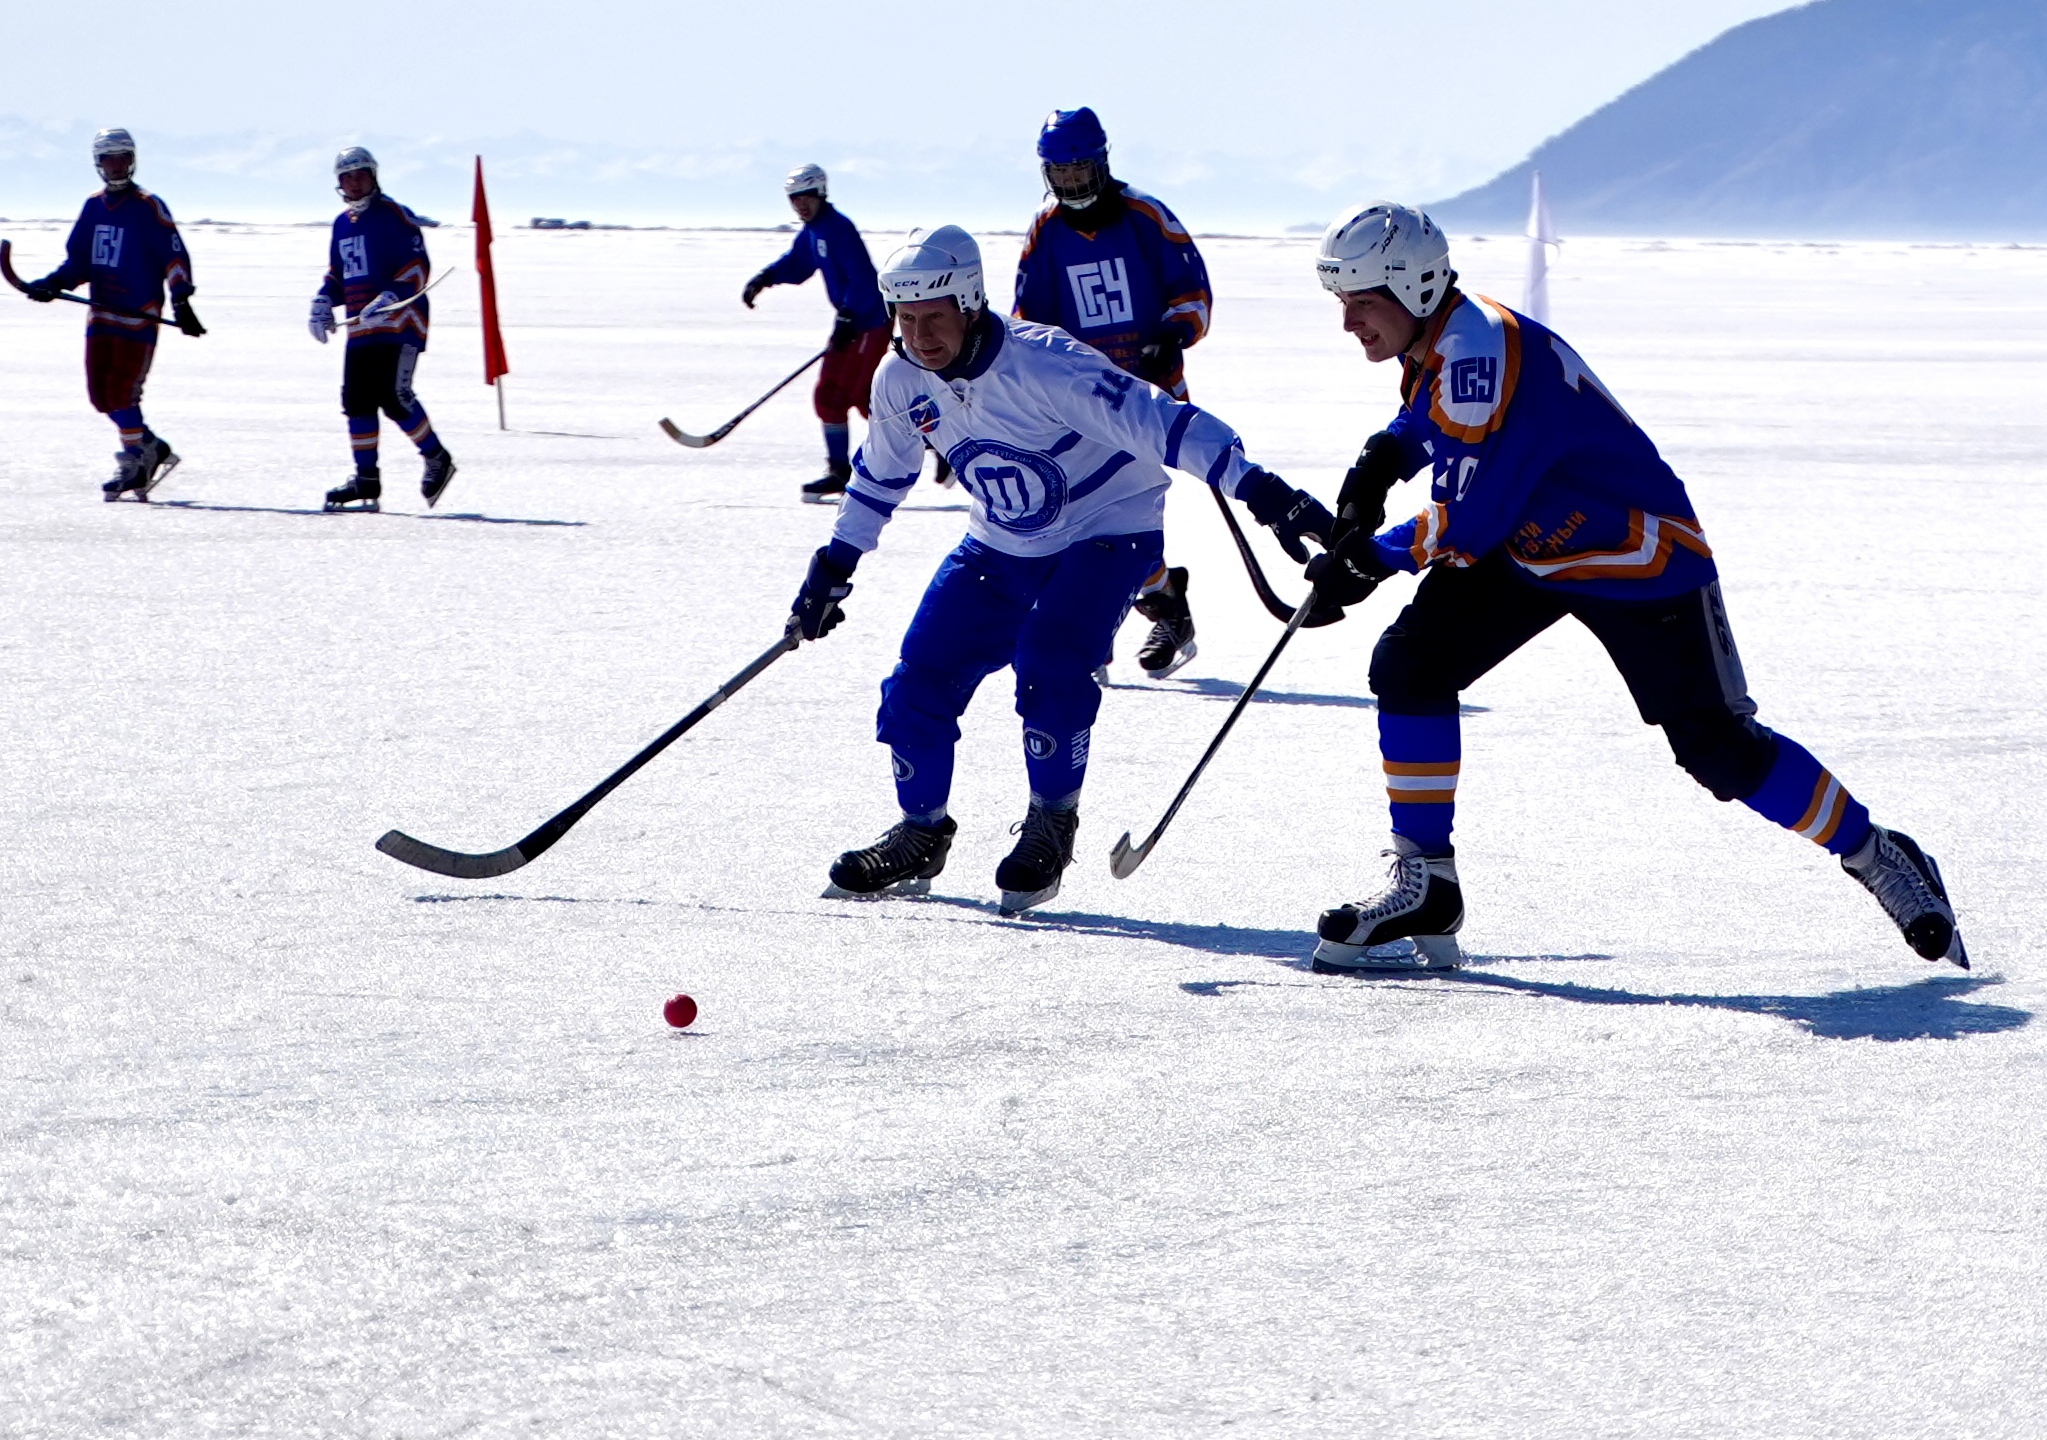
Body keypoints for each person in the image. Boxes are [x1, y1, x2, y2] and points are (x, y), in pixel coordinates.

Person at [1295, 203, 1968, 973]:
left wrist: (1371, 558)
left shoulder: (1477, 351)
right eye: (1339, 304)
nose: (1347, 323)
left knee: (1718, 752)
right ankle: (1426, 881)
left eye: (1360, 303)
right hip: (1532, 547)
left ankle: (1876, 852)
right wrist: (1380, 459)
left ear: (1412, 288)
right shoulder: (1445, 333)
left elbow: (1467, 517)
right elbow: (1433, 416)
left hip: (1636, 554)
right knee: (1410, 666)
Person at [786, 223, 1337, 915]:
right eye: (906, 319)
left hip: (1111, 524)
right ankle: (919, 830)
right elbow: (878, 477)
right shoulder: (901, 378)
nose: (920, 335)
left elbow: (1159, 420)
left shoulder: (1043, 363)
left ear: (969, 302)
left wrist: (1265, 494)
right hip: (1003, 538)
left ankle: (1051, 818)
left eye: (934, 317)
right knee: (917, 676)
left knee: (1049, 659)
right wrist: (832, 566)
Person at [1010, 107, 1218, 677]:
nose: (1073, 181)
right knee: (1079, 515)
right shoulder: (1044, 232)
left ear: (1101, 162)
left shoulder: (1145, 216)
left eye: (1081, 168)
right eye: (1062, 172)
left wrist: (1172, 335)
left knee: (1128, 506)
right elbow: (1027, 321)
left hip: (1148, 394)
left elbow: (1193, 290)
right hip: (1079, 401)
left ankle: (1144, 612)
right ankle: (1151, 608)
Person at [16, 126, 202, 500]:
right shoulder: (93, 206)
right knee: (100, 395)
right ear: (98, 164)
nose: (116, 166)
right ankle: (149, 447)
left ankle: (136, 459)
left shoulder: (149, 206)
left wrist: (181, 300)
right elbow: (80, 263)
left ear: (132, 161)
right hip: (102, 315)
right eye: (108, 159)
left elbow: (174, 256)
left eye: (122, 158)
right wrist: (52, 284)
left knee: (122, 392)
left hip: (137, 314)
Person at [308, 145, 456, 510]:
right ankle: (366, 479)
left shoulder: (394, 216)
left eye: (361, 175)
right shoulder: (342, 224)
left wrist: (389, 298)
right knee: (356, 400)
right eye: (347, 177)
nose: (354, 183)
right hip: (362, 326)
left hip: (401, 322)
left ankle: (437, 457)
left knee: (393, 395)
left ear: (374, 176)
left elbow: (417, 266)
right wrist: (324, 301)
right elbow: (339, 274)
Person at [741, 163, 890, 501]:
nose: (801, 205)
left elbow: (863, 279)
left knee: (861, 399)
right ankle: (839, 470)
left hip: (868, 323)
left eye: (806, 197)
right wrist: (763, 279)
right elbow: (796, 263)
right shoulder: (814, 231)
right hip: (851, 324)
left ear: (821, 194)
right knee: (842, 399)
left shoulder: (838, 229)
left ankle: (940, 445)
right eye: (795, 199)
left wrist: (850, 317)